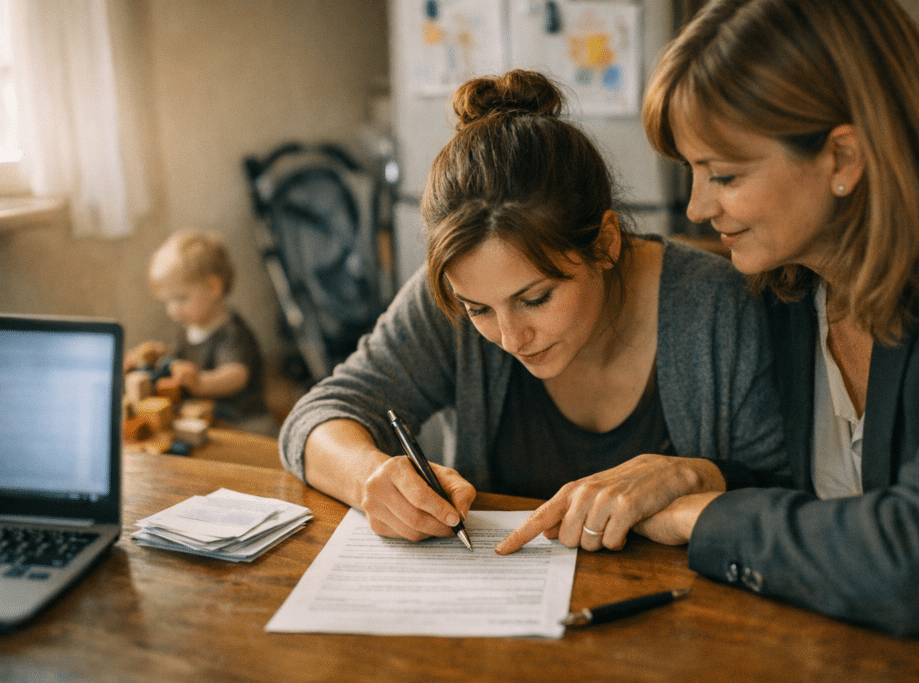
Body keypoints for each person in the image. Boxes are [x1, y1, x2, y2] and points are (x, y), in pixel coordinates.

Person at [512, 0, 919, 637]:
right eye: (692, 172)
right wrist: (698, 475)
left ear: (842, 157)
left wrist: (702, 516)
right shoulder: (792, 279)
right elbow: (821, 501)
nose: (697, 208)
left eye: (723, 174)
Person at [279, 69, 785, 551]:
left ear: (606, 243)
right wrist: (369, 475)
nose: (510, 338)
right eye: (478, 308)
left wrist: (694, 475)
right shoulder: (454, 300)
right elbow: (318, 417)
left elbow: (789, 494)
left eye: (535, 299)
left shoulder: (719, 306)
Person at [127, 231, 278, 437]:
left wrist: (201, 383)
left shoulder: (231, 332)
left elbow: (236, 376)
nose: (173, 310)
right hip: (208, 416)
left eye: (180, 299)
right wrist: (161, 357)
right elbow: (180, 362)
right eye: (168, 302)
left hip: (244, 421)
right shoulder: (190, 325)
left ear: (213, 288)